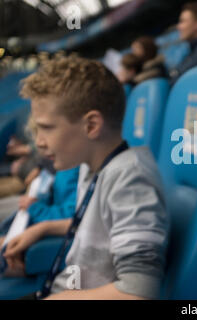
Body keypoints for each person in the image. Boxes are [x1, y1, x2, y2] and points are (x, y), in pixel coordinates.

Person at [2, 56, 169, 300]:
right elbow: (99, 223)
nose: (38, 142)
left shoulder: (130, 180)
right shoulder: (93, 166)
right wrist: (42, 228)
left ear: (91, 126)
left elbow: (139, 292)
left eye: (46, 128)